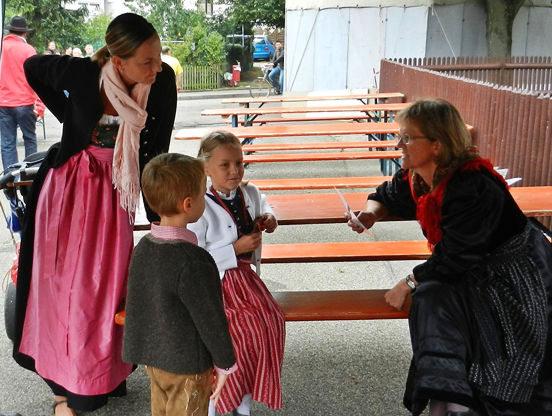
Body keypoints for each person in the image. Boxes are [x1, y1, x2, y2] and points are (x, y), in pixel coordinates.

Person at [13, 13, 177, 416]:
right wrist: (68, 114)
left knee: (104, 288)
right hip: (67, 189)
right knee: (59, 285)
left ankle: (101, 375)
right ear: (118, 61)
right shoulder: (84, 73)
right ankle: (61, 383)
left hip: (116, 190)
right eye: (146, 61)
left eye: (158, 58)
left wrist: (160, 217)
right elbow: (32, 68)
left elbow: (158, 148)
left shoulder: (162, 85)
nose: (156, 68)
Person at [347, 99, 552, 416]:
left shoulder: (471, 185)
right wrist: (371, 214)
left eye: (407, 137)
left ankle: (462, 400)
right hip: (468, 267)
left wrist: (408, 282)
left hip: (513, 275)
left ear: (437, 145)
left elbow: (457, 255)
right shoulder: (418, 176)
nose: (399, 144)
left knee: (495, 342)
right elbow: (386, 195)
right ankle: (449, 397)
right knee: (431, 297)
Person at [123, 153, 237, 416]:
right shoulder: (193, 260)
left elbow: (139, 304)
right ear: (188, 204)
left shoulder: (144, 247)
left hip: (154, 360)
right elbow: (210, 318)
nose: (205, 198)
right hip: (188, 365)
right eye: (202, 193)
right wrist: (225, 363)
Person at [188, 131, 285, 416]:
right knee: (240, 333)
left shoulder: (249, 192)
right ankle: (215, 404)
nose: (235, 171)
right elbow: (195, 259)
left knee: (271, 322)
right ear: (205, 168)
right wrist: (235, 249)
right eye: (225, 165)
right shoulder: (200, 203)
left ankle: (243, 399)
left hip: (245, 280)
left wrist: (270, 218)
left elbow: (264, 203)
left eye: (239, 163)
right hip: (216, 284)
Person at [0, 16, 44, 170]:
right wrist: (40, 106)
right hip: (25, 103)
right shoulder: (28, 50)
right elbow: (38, 80)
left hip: (3, 103)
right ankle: (29, 175)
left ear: (9, 31)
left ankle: (9, 179)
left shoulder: (1, 47)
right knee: (30, 139)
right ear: (24, 33)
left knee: (7, 143)